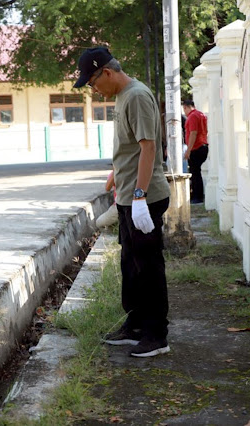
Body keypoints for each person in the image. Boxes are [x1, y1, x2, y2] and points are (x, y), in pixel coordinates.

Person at [74, 47, 171, 358]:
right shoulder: (122, 96)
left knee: (149, 266)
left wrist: (141, 196)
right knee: (130, 263)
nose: (93, 90)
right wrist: (117, 174)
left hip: (145, 197)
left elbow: (148, 148)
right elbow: (129, 147)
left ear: (107, 72)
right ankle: (137, 323)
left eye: (92, 83)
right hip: (129, 195)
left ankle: (157, 335)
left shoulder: (138, 96)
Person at [182, 99, 209, 204]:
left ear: (186, 107)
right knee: (196, 172)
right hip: (203, 145)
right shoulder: (201, 114)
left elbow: (193, 133)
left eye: (184, 109)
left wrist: (188, 150)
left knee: (195, 173)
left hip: (196, 147)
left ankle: (197, 197)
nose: (184, 112)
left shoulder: (192, 116)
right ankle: (198, 196)